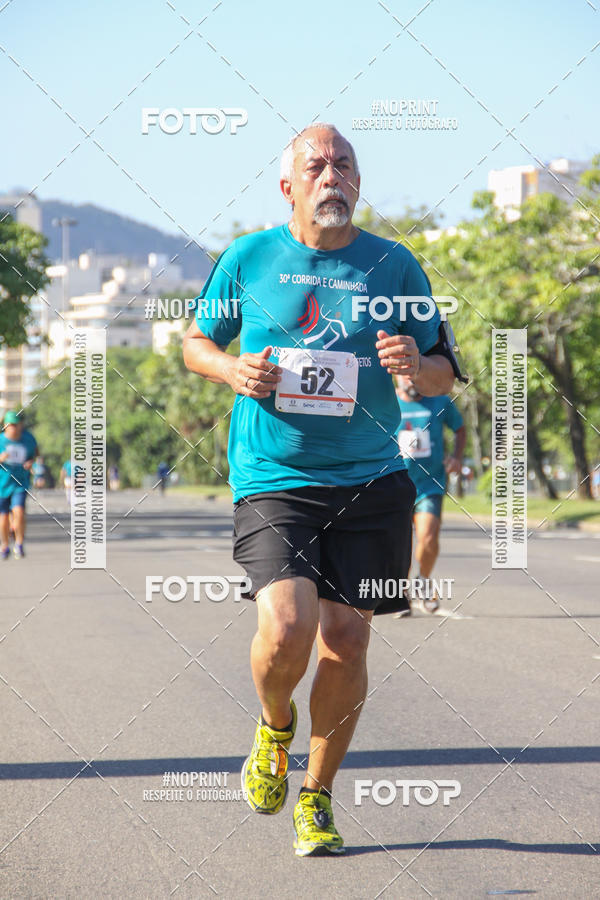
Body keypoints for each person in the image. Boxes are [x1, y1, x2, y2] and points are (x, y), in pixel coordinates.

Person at [183, 123, 460, 856]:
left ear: (358, 183)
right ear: (289, 187)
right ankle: (274, 729)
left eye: (344, 164)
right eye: (317, 165)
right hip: (276, 479)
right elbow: (194, 342)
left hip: (373, 481)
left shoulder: (394, 266)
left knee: (345, 639)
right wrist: (230, 371)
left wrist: (415, 367)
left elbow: (443, 369)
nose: (332, 174)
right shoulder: (249, 257)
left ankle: (317, 797)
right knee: (287, 627)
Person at [395, 375, 466, 614]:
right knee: (398, 543)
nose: (412, 381)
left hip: (429, 484)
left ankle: (423, 581)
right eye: (406, 377)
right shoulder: (387, 402)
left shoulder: (440, 401)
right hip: (395, 485)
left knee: (427, 537)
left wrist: (456, 457)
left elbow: (460, 428)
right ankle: (400, 593)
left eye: (415, 376)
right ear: (397, 377)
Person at [0, 411, 38, 559]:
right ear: (5, 426)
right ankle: (4, 545)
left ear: (21, 425)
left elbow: (35, 454)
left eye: (16, 425)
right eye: (11, 425)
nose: (14, 429)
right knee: (3, 517)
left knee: (19, 511)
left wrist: (31, 462)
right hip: (2, 484)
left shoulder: (28, 439)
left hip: (20, 482)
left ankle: (19, 543)